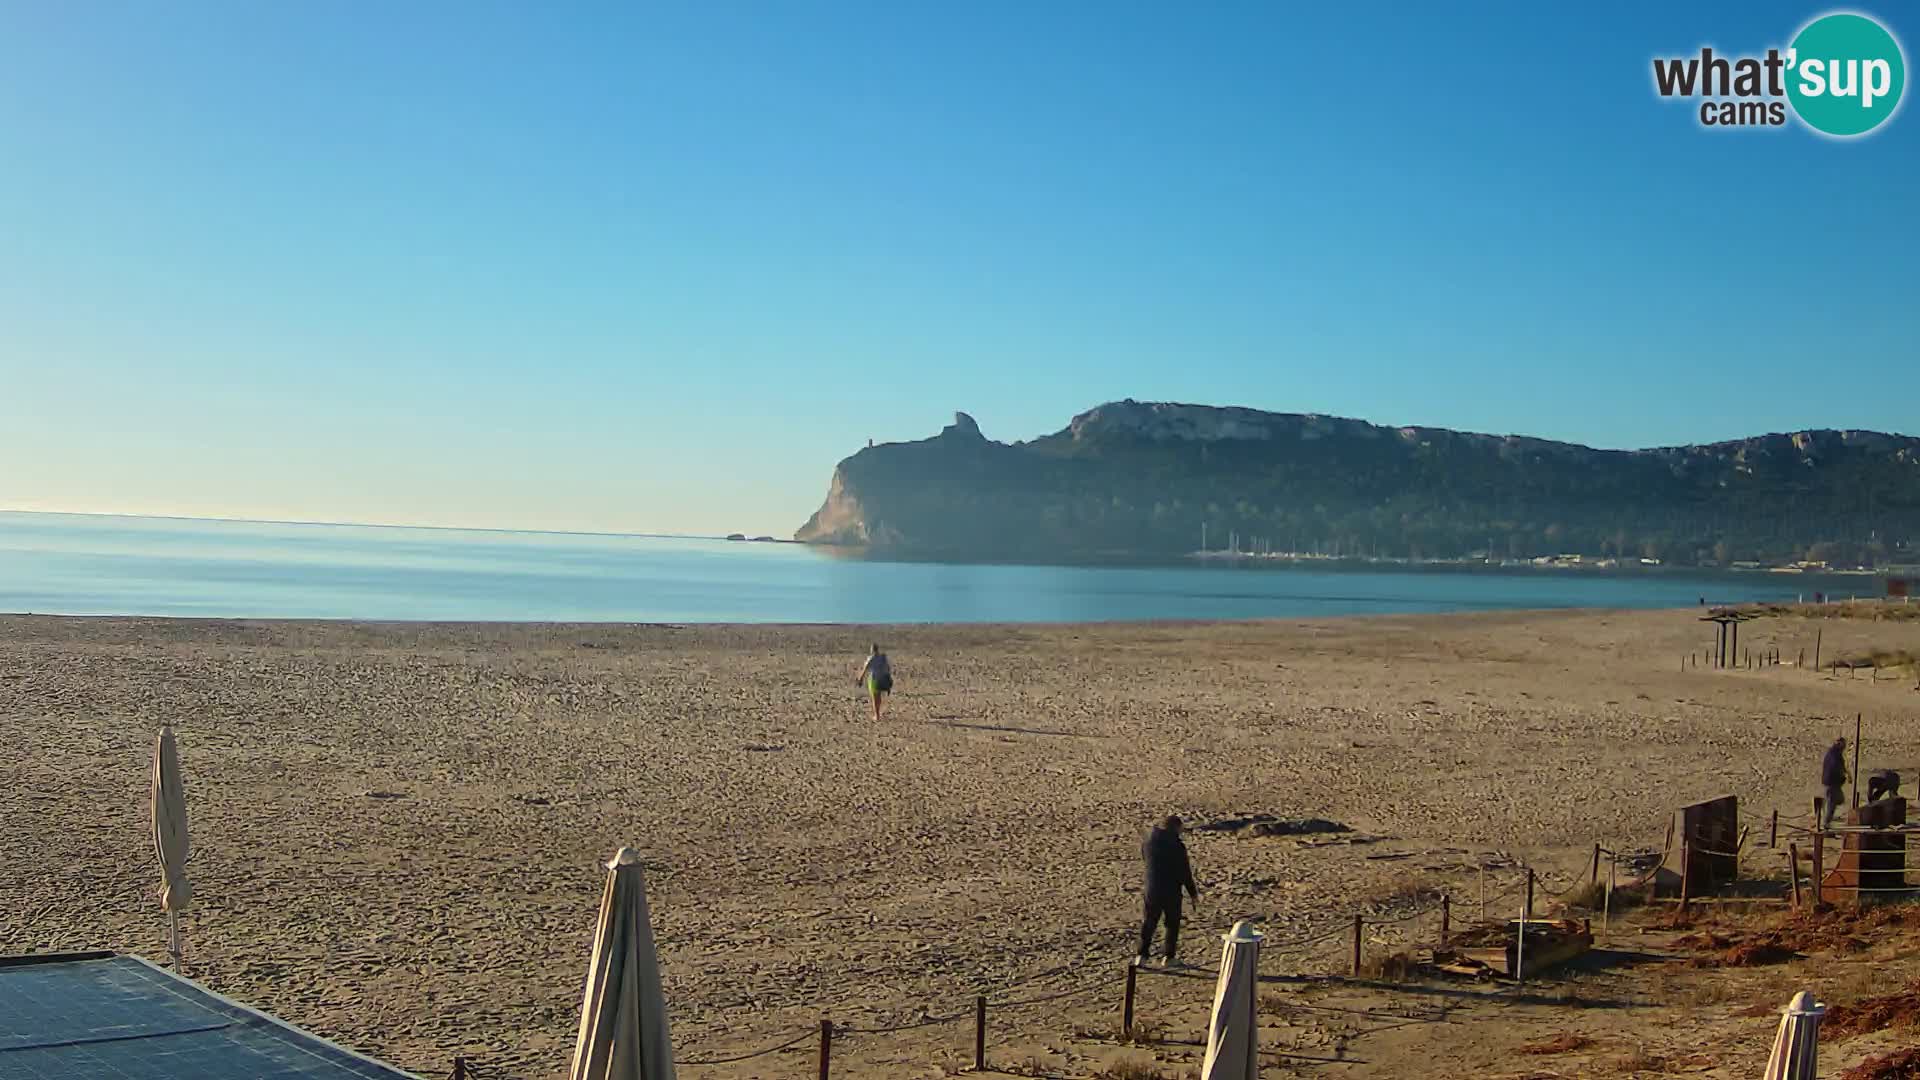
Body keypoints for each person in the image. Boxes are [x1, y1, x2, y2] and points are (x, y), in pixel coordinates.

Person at [1137, 815, 1199, 967]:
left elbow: (1146, 860)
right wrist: (1192, 892)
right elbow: (1184, 871)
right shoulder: (1176, 846)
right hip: (1171, 890)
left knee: (1149, 922)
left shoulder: (1148, 842)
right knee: (1171, 924)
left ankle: (1141, 955)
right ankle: (1168, 957)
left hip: (1152, 888)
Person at [856, 644, 892, 721]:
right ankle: (878, 713)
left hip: (874, 679)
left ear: (872, 650)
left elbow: (865, 669)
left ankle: (877, 716)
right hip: (883, 678)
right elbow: (888, 668)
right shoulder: (883, 657)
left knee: (875, 698)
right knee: (879, 697)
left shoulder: (871, 658)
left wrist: (860, 679)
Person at [1821, 736, 1849, 830]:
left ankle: (1827, 820)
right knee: (1832, 803)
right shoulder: (1834, 754)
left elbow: (1841, 766)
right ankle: (1826, 823)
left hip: (1834, 783)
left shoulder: (1836, 754)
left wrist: (1847, 774)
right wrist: (1842, 775)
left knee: (1838, 800)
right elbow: (1835, 767)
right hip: (1832, 783)